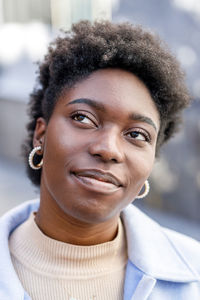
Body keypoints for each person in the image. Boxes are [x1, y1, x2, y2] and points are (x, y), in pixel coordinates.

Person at [0, 20, 200, 300]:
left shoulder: (194, 277)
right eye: (83, 118)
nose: (108, 149)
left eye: (137, 135)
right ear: (41, 136)